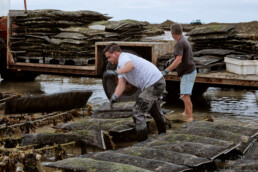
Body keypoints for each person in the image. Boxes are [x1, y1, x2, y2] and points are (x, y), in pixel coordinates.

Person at [103, 43, 167, 142]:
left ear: (115, 53)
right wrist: (114, 97)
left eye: (109, 57)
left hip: (154, 84)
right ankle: (163, 136)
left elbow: (130, 66)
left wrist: (114, 73)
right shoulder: (120, 66)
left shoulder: (124, 57)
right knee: (155, 110)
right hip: (158, 82)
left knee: (138, 112)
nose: (108, 60)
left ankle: (142, 143)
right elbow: (121, 84)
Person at [162, 23, 197, 122]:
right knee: (185, 94)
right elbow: (179, 57)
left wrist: (166, 70)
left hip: (188, 72)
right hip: (190, 71)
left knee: (185, 95)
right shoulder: (184, 41)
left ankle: (190, 118)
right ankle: (186, 112)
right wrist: (172, 61)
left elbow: (178, 60)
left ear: (172, 32)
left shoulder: (179, 44)